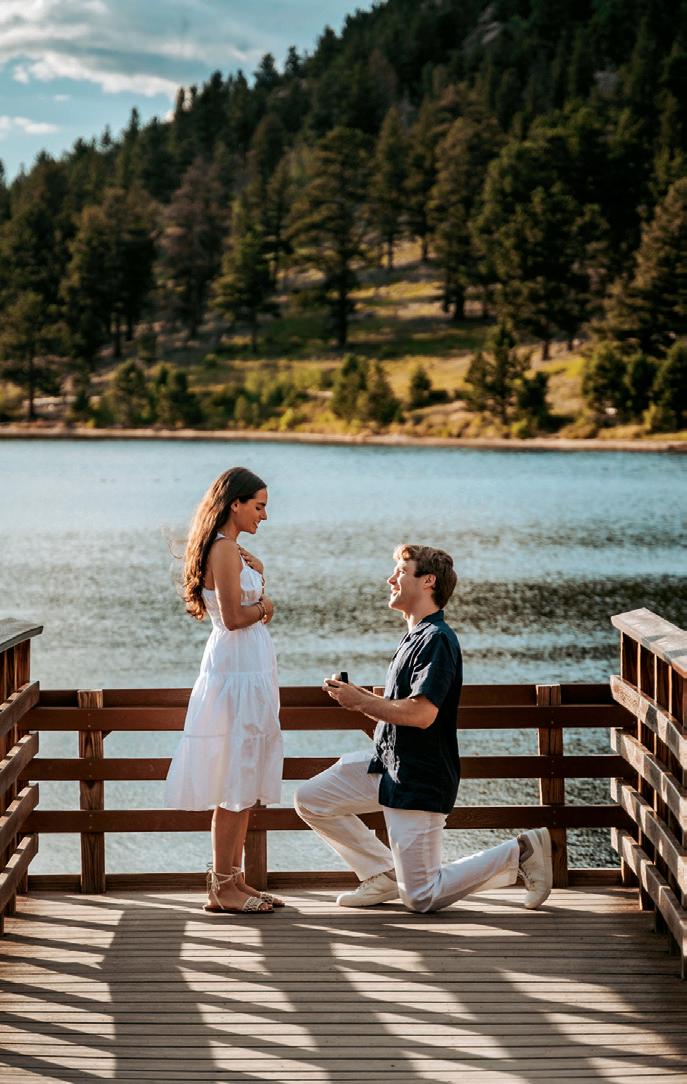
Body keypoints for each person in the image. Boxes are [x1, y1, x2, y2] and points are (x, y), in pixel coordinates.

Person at [294, 543, 552, 913]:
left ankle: (520, 852)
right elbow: (403, 709)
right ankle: (382, 873)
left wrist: (360, 702)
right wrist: (356, 697)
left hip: (418, 776)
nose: (390, 579)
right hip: (387, 765)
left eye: (400, 572)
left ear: (428, 581)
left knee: (421, 897)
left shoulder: (437, 640)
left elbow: (422, 714)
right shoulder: (416, 636)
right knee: (311, 799)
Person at [165, 467, 284, 914]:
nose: (264, 515)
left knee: (245, 773)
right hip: (235, 670)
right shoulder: (224, 548)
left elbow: (237, 609)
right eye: (259, 506)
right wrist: (267, 606)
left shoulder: (231, 549)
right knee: (235, 774)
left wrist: (260, 573)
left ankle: (235, 880)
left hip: (247, 667)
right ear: (235, 503)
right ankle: (221, 886)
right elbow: (234, 618)